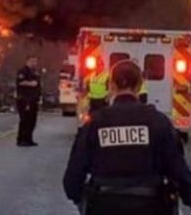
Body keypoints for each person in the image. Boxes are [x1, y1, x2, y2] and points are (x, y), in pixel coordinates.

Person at [63, 60, 191, 214]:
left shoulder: (95, 124)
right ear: (139, 85)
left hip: (104, 204)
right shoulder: (159, 122)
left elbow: (73, 175)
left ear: (111, 86)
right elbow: (177, 168)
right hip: (150, 205)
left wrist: (82, 199)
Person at [16, 55, 41, 146]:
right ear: (27, 61)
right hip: (24, 100)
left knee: (32, 121)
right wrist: (31, 83)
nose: (34, 63)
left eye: (35, 61)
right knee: (25, 120)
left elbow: (38, 85)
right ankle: (21, 140)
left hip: (33, 100)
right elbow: (21, 82)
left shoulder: (35, 72)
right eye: (31, 61)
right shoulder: (23, 71)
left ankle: (29, 139)